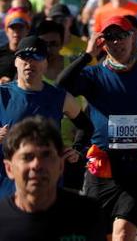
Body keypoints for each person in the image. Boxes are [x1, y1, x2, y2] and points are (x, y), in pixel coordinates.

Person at [57, 15, 137, 241]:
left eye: (122, 36)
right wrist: (88, 55)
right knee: (100, 235)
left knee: (122, 234)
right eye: (110, 37)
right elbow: (61, 85)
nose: (117, 42)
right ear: (101, 41)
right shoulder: (93, 75)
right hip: (101, 168)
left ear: (133, 38)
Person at [0, 35, 93, 196]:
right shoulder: (2, 94)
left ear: (45, 63)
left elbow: (86, 126)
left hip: (47, 185)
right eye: (24, 57)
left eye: (37, 57)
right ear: (16, 62)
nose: (30, 63)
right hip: (6, 186)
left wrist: (77, 149)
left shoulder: (60, 97)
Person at [0, 116, 107, 241]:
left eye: (46, 155)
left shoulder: (87, 214)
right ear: (9, 168)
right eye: (27, 157)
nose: (37, 165)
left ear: (61, 165)